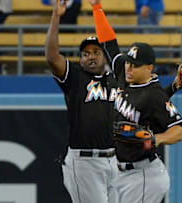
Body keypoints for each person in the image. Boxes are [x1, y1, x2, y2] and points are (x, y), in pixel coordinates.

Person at [88, 0, 182, 202]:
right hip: (121, 173)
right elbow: (109, 43)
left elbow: (179, 131)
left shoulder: (154, 95)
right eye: (128, 62)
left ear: (149, 68)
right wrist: (96, 8)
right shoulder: (124, 74)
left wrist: (157, 139)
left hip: (144, 176)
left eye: (134, 65)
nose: (128, 68)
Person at [45, 0, 120, 202]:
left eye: (96, 52)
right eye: (86, 54)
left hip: (114, 160)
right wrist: (56, 16)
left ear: (105, 57)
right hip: (84, 161)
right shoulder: (76, 77)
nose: (91, 57)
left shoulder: (116, 79)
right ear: (80, 60)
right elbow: (52, 57)